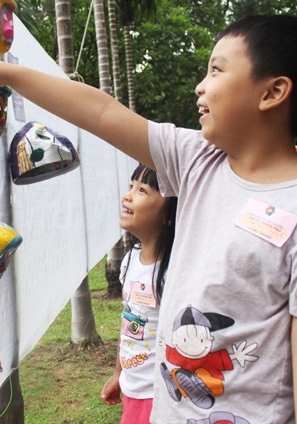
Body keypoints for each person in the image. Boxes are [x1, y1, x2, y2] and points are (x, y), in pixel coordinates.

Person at [0, 14, 297, 422]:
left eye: (216, 71)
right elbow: (101, 112)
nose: (200, 87)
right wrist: (4, 74)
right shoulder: (197, 160)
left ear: (272, 93)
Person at [100, 164, 178, 423]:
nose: (128, 195)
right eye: (131, 186)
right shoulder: (129, 260)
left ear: (169, 214)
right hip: (133, 391)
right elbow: (127, 323)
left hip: (160, 397)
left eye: (142, 190)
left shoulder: (173, 271)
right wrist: (118, 375)